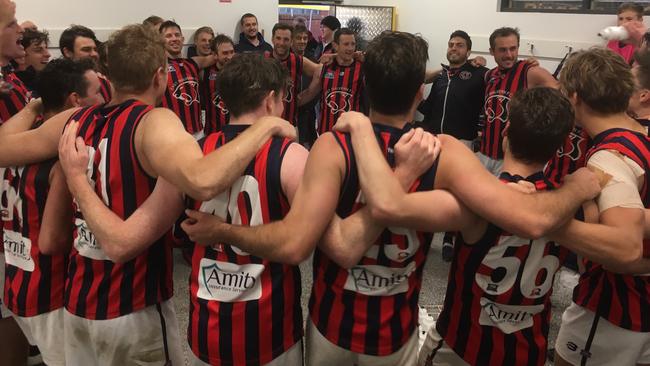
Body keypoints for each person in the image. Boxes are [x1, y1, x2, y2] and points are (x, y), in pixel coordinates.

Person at [179, 31, 601, 366]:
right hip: (393, 327)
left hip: (331, 322)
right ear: (421, 91)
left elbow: (336, 246)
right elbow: (525, 217)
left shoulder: (331, 145)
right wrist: (575, 186)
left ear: (363, 84)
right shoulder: (446, 150)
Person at [0, 24, 295, 365]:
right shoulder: (153, 122)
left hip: (78, 305)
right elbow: (202, 180)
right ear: (160, 76)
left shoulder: (75, 119)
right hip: (131, 310)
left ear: (108, 74)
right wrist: (266, 125)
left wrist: (31, 107)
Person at [60, 52, 310, 366]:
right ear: (271, 101)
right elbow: (301, 244)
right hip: (270, 331)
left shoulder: (192, 155)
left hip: (209, 326)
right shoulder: (292, 154)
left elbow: (137, 231)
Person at [2, 58, 104, 366]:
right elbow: (52, 240)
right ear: (75, 101)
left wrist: (33, 107)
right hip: (51, 290)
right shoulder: (63, 155)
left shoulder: (20, 141)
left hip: (16, 279)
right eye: (98, 92)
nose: (103, 100)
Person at [553, 47, 650, 366]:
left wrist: (550, 223)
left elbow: (623, 249)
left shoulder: (610, 157)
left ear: (575, 97)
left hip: (613, 309)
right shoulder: (642, 134)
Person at [417, 30, 488, 261]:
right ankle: (424, 232)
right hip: (434, 140)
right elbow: (429, 109)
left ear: (468, 50)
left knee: (457, 192)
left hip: (462, 142)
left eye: (459, 45)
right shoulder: (441, 76)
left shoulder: (479, 74)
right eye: (450, 44)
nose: (453, 48)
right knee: (429, 187)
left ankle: (449, 237)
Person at [478, 27, 559, 176]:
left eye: (513, 48)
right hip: (485, 152)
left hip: (512, 159)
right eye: (502, 50)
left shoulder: (529, 71)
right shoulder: (489, 75)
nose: (509, 55)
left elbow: (561, 97)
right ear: (492, 51)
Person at [300, 28, 365, 135]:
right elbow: (309, 93)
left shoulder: (361, 69)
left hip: (351, 134)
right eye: (346, 44)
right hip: (327, 132)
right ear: (335, 45)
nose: (350, 48)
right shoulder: (324, 68)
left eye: (353, 44)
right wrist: (290, 104)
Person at [158, 20, 216, 138]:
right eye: (169, 36)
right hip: (171, 134)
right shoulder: (157, 67)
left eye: (177, 35)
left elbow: (219, 55)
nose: (174, 39)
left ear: (183, 39)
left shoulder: (192, 62)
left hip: (198, 131)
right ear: (161, 41)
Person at [265, 23, 322, 126]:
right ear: (272, 39)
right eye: (278, 38)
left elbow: (321, 72)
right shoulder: (263, 60)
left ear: (291, 41)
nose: (281, 43)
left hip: (290, 124)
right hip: (265, 124)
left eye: (286, 39)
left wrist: (304, 96)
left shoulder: (297, 60)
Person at [59, 25, 112, 103]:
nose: (94, 54)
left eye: (95, 49)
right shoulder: (56, 84)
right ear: (67, 52)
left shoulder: (104, 82)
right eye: (86, 50)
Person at [201, 34, 235, 135]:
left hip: (235, 131)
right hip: (212, 131)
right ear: (215, 55)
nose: (229, 57)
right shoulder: (205, 72)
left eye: (232, 52)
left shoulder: (241, 71)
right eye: (225, 53)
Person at [293, 24, 318, 147]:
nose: (302, 41)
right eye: (298, 38)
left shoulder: (313, 59)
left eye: (304, 38)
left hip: (308, 112)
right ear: (292, 39)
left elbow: (319, 84)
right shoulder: (286, 59)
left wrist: (306, 100)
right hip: (290, 112)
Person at [14, 28, 50, 94]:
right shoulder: (11, 86)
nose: (48, 54)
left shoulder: (45, 80)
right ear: (21, 54)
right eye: (38, 50)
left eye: (46, 48)